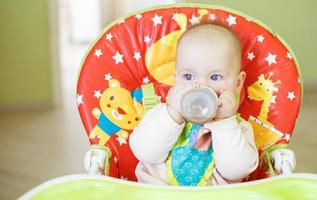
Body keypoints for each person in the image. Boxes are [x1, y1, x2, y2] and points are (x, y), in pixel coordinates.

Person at [129, 23, 259, 186]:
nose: (201, 87)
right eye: (189, 77)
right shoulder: (160, 116)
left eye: (215, 77)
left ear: (238, 83)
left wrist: (224, 122)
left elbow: (236, 170)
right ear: (175, 78)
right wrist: (172, 114)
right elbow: (145, 153)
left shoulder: (238, 128)